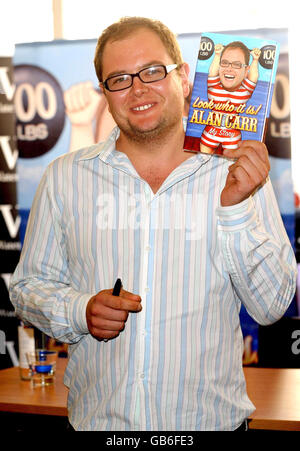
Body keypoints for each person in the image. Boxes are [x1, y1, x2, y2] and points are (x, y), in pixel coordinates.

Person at [9, 17, 297, 431]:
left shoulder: (238, 172)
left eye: (152, 71)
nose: (138, 88)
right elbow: (27, 288)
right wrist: (79, 311)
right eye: (119, 79)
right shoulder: (65, 177)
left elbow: (272, 307)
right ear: (105, 95)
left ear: (183, 76)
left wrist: (235, 210)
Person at [200, 41, 261, 154]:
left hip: (232, 136)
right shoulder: (214, 85)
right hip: (210, 133)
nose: (229, 68)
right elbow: (212, 71)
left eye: (237, 64)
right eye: (225, 63)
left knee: (231, 167)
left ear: (246, 70)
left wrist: (255, 60)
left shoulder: (245, 90)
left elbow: (253, 77)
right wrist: (217, 54)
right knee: (201, 161)